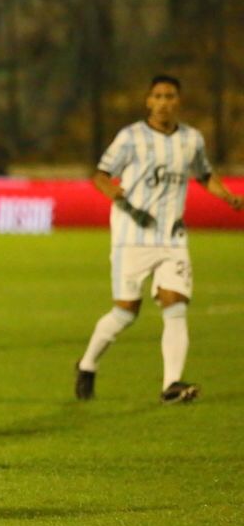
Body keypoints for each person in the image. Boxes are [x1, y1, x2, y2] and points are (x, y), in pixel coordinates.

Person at [75, 74, 243, 403]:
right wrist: (113, 191)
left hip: (172, 237)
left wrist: (227, 196)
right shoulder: (130, 137)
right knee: (125, 312)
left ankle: (172, 385)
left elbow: (204, 174)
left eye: (170, 96)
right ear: (148, 102)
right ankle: (87, 364)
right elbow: (100, 174)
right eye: (158, 96)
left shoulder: (191, 139)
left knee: (176, 305)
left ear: (178, 101)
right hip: (131, 235)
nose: (164, 102)